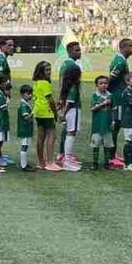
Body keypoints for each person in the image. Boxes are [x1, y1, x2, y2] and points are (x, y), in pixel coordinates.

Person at [106, 38, 132, 168]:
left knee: (116, 126)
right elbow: (110, 78)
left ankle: (113, 154)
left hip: (118, 95)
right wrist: (106, 93)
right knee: (115, 126)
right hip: (117, 97)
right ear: (122, 47)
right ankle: (110, 157)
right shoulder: (120, 61)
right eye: (130, 46)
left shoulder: (122, 60)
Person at [57, 41, 83, 171]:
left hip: (66, 103)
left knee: (69, 131)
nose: (79, 52)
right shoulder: (71, 66)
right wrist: (63, 109)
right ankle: (65, 158)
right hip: (72, 107)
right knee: (70, 132)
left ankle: (65, 156)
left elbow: (62, 84)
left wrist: (60, 99)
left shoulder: (66, 65)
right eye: (76, 50)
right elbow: (70, 96)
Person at [33, 62, 61, 172]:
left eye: (50, 70)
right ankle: (50, 162)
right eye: (47, 70)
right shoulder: (45, 83)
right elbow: (50, 100)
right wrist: (55, 113)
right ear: (41, 72)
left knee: (40, 138)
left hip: (38, 112)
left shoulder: (36, 83)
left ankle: (41, 162)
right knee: (51, 136)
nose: (49, 72)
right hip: (46, 113)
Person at [88, 76, 113, 170]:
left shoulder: (110, 95)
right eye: (101, 83)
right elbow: (92, 108)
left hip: (107, 124)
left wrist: (113, 120)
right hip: (97, 125)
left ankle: (107, 163)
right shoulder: (95, 96)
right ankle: (95, 163)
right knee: (96, 144)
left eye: (105, 83)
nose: (104, 85)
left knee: (108, 144)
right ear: (96, 85)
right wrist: (103, 104)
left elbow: (113, 109)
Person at [16, 84, 34, 172]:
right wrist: (34, 112)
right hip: (24, 129)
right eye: (28, 93)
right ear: (22, 94)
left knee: (25, 146)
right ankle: (23, 165)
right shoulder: (23, 105)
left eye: (31, 93)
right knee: (24, 146)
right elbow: (26, 117)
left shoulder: (24, 104)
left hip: (25, 129)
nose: (30, 95)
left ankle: (24, 163)